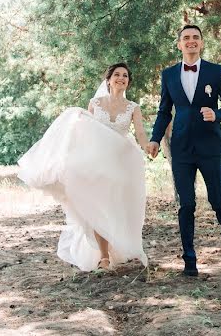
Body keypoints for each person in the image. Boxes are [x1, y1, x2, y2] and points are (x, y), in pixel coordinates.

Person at [17, 63, 150, 271]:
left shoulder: (133, 107)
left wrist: (148, 146)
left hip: (120, 162)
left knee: (114, 206)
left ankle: (114, 247)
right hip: (96, 162)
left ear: (128, 82)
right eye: (117, 75)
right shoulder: (94, 103)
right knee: (98, 204)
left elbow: (140, 133)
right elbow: (84, 132)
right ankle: (104, 256)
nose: (121, 78)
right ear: (108, 79)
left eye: (125, 76)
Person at [146, 25, 221, 276]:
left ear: (201, 43)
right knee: (186, 205)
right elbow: (164, 111)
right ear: (179, 44)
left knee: (217, 201)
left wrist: (217, 114)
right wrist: (156, 139)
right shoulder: (168, 75)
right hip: (180, 149)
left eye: (195, 38)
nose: (191, 41)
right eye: (186, 38)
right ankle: (189, 260)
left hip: (209, 146)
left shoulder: (216, 71)